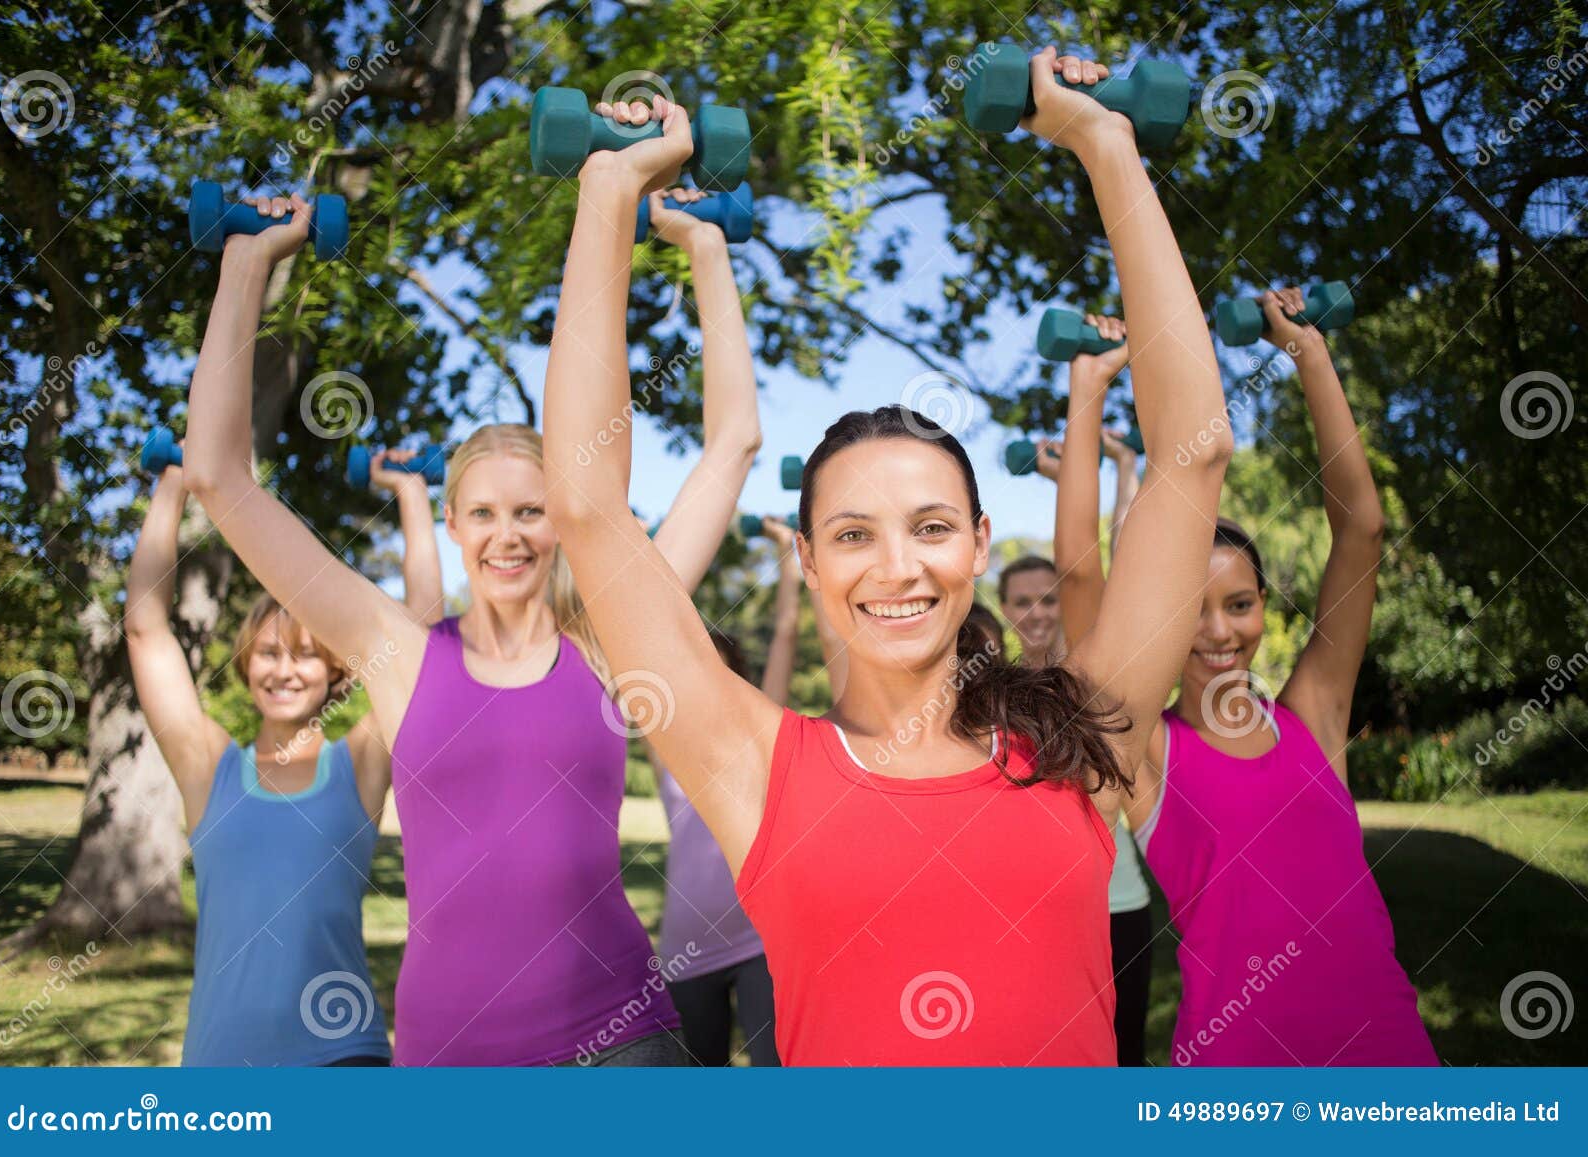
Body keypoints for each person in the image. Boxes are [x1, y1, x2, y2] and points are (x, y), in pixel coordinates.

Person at [540, 55, 1232, 1065]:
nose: (896, 566)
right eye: (854, 534)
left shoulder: (1080, 732)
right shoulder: (753, 764)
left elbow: (1191, 453)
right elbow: (588, 507)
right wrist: (607, 192)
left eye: (932, 526)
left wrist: (1104, 143)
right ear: (809, 563)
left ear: (981, 543)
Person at [182, 183, 761, 1066]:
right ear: (451, 523)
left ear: (561, 520)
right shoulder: (397, 653)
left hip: (621, 1042)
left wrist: (704, 248)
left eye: (531, 511)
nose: (507, 535)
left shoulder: (608, 645)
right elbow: (222, 477)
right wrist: (248, 261)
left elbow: (733, 446)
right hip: (450, 1051)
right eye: (483, 513)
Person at [1055, 292, 1438, 1066]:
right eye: (1192, 610)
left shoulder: (1317, 714)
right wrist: (1089, 392)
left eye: (1239, 604)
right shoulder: (1145, 748)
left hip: (1387, 1051)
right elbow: (1078, 578)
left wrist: (1308, 352)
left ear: (1263, 606)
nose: (1220, 631)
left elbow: (1360, 526)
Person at [124, 453, 425, 1066]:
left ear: (337, 670)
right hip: (220, 1066)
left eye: (306, 655)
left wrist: (411, 492)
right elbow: (145, 628)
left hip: (343, 1060)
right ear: (245, 663)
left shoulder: (358, 767)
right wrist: (177, 484)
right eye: (268, 653)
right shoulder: (207, 766)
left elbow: (419, 634)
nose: (285, 670)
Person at [1025, 322, 1155, 1065]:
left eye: (1048, 600)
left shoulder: (1093, 663)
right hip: (1037, 910)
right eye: (1023, 601)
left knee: (1121, 1061)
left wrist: (1121, 462)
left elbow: (1091, 567)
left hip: (1118, 902)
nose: (1039, 612)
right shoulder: (998, 689)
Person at [654, 515, 801, 1067]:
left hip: (760, 940)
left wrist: (787, 552)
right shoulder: (662, 740)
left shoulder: (763, 736)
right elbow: (647, 636)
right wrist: (641, 556)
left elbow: (785, 632)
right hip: (686, 949)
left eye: (717, 674)